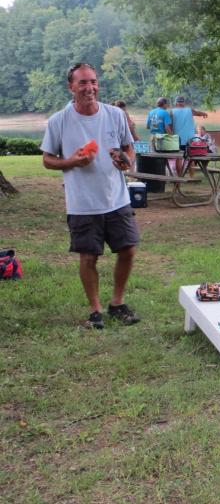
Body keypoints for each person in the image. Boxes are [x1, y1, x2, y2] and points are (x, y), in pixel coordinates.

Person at [40, 63, 141, 329]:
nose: (90, 88)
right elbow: (47, 160)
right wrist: (72, 161)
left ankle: (117, 303)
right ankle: (95, 311)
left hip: (117, 198)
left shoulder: (114, 115)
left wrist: (125, 161)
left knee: (128, 250)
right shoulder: (59, 121)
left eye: (93, 81)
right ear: (71, 87)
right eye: (83, 82)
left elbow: (129, 150)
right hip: (82, 203)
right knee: (88, 257)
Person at [171, 95, 208, 175]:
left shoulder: (172, 112)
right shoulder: (189, 110)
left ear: (176, 103)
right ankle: (191, 176)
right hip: (190, 140)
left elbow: (169, 125)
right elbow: (198, 113)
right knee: (191, 158)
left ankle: (180, 177)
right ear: (183, 103)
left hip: (178, 139)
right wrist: (204, 113)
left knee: (179, 158)